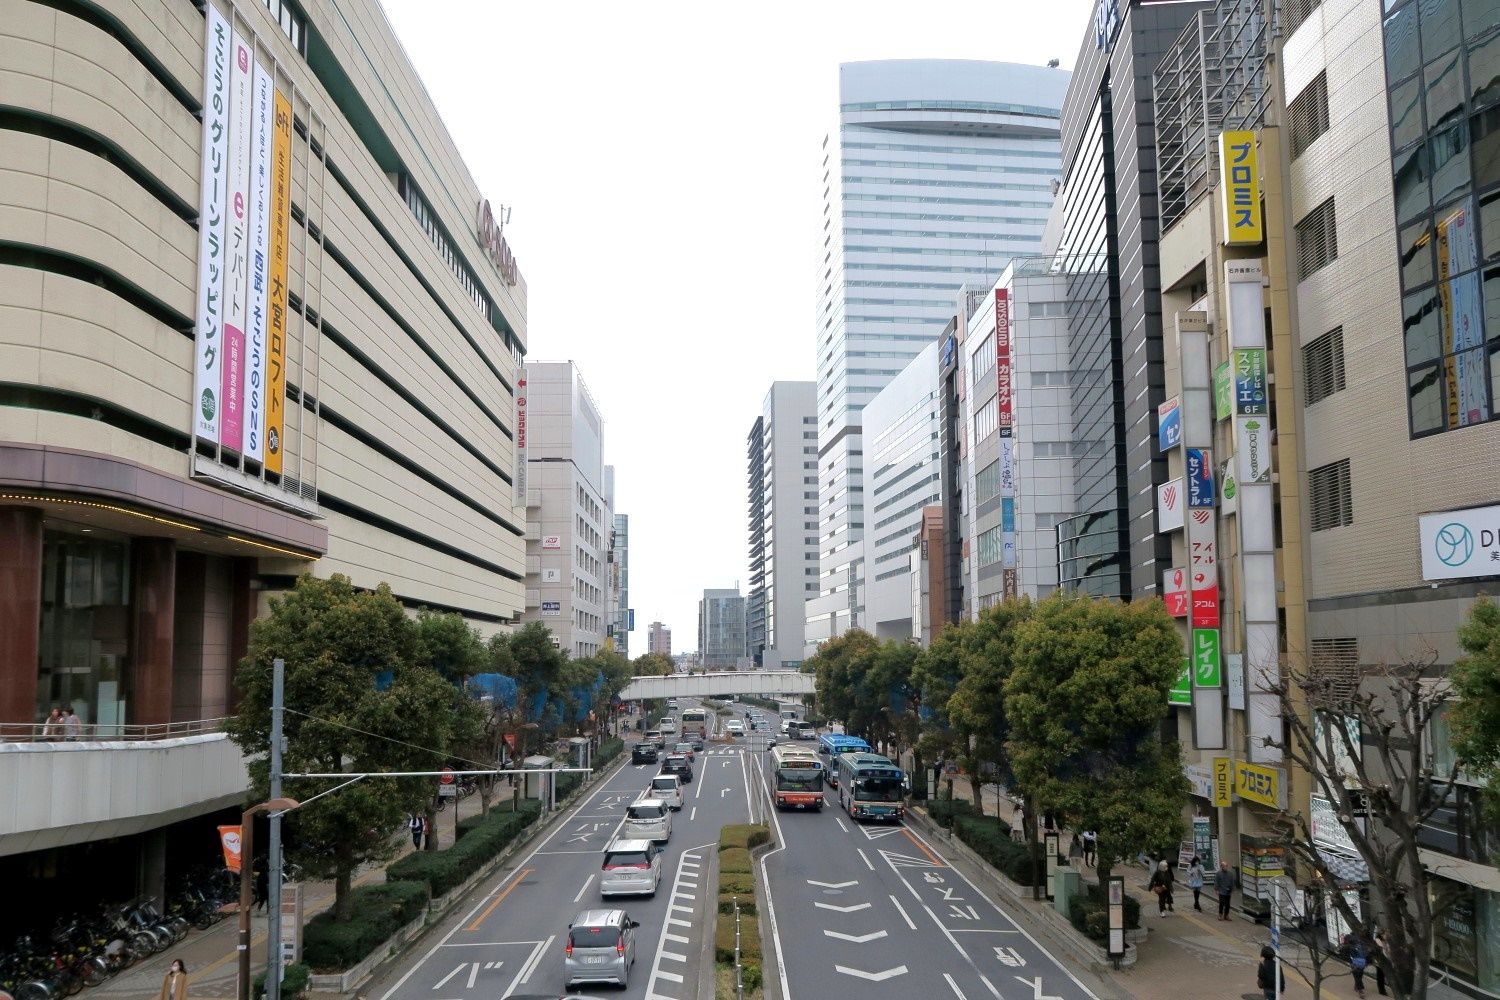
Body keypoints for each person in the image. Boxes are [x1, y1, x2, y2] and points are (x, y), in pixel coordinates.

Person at [1341, 933, 1370, 998]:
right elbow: (1366, 953)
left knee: (1358, 976)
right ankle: (1359, 989)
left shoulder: (1351, 943)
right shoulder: (1359, 942)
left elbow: (1344, 954)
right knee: (1358, 975)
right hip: (1359, 962)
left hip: (1356, 962)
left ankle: (1358, 988)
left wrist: (1350, 961)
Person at [1372, 929, 1388, 996]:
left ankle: (1382, 989)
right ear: (1381, 935)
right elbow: (1382, 948)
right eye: (1385, 934)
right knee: (1380, 975)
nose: (1386, 936)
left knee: (1382, 975)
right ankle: (1381, 990)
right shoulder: (1378, 940)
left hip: (1385, 960)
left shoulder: (1384, 941)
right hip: (1379, 961)